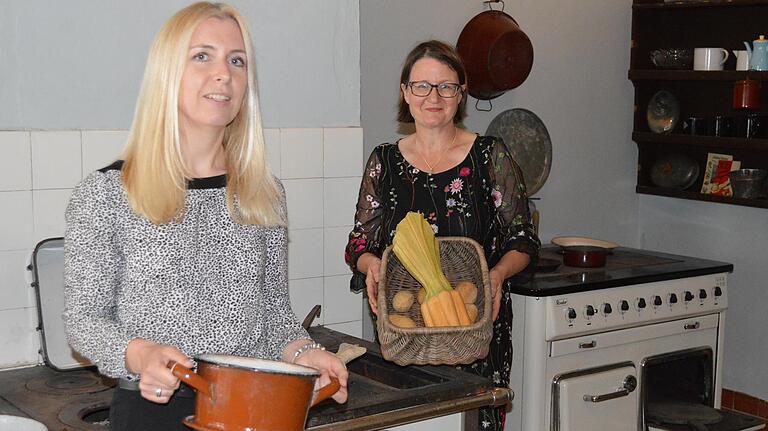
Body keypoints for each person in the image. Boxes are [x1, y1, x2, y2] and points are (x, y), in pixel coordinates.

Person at [63, 3, 347, 430]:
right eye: (202, 56)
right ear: (166, 72)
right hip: (153, 412)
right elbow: (83, 320)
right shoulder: (106, 194)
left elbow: (272, 313)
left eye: (237, 60)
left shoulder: (263, 194)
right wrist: (140, 353)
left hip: (255, 408)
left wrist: (304, 354)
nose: (224, 73)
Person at [344, 40, 539, 431]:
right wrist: (371, 266)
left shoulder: (490, 156)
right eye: (422, 85)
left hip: (476, 333)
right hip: (407, 334)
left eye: (446, 86)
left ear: (460, 93)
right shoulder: (384, 162)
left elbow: (523, 238)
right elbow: (359, 243)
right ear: (405, 92)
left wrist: (497, 274)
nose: (433, 96)